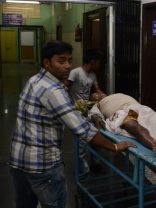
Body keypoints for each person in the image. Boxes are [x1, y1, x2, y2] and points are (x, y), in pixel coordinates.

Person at [9, 40, 135, 208]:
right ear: (47, 63)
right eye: (61, 61)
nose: (67, 66)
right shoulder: (56, 88)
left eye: (69, 60)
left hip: (19, 161)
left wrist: (97, 102)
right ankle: (84, 173)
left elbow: (93, 94)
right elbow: (83, 130)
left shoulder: (34, 80)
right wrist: (115, 147)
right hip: (43, 166)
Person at [65, 48, 105, 177]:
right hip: (76, 106)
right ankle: (83, 170)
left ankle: (96, 162)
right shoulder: (76, 73)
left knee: (95, 133)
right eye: (99, 62)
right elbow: (65, 88)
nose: (99, 65)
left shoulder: (93, 75)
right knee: (81, 142)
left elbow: (97, 90)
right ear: (92, 61)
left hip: (86, 106)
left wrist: (102, 96)